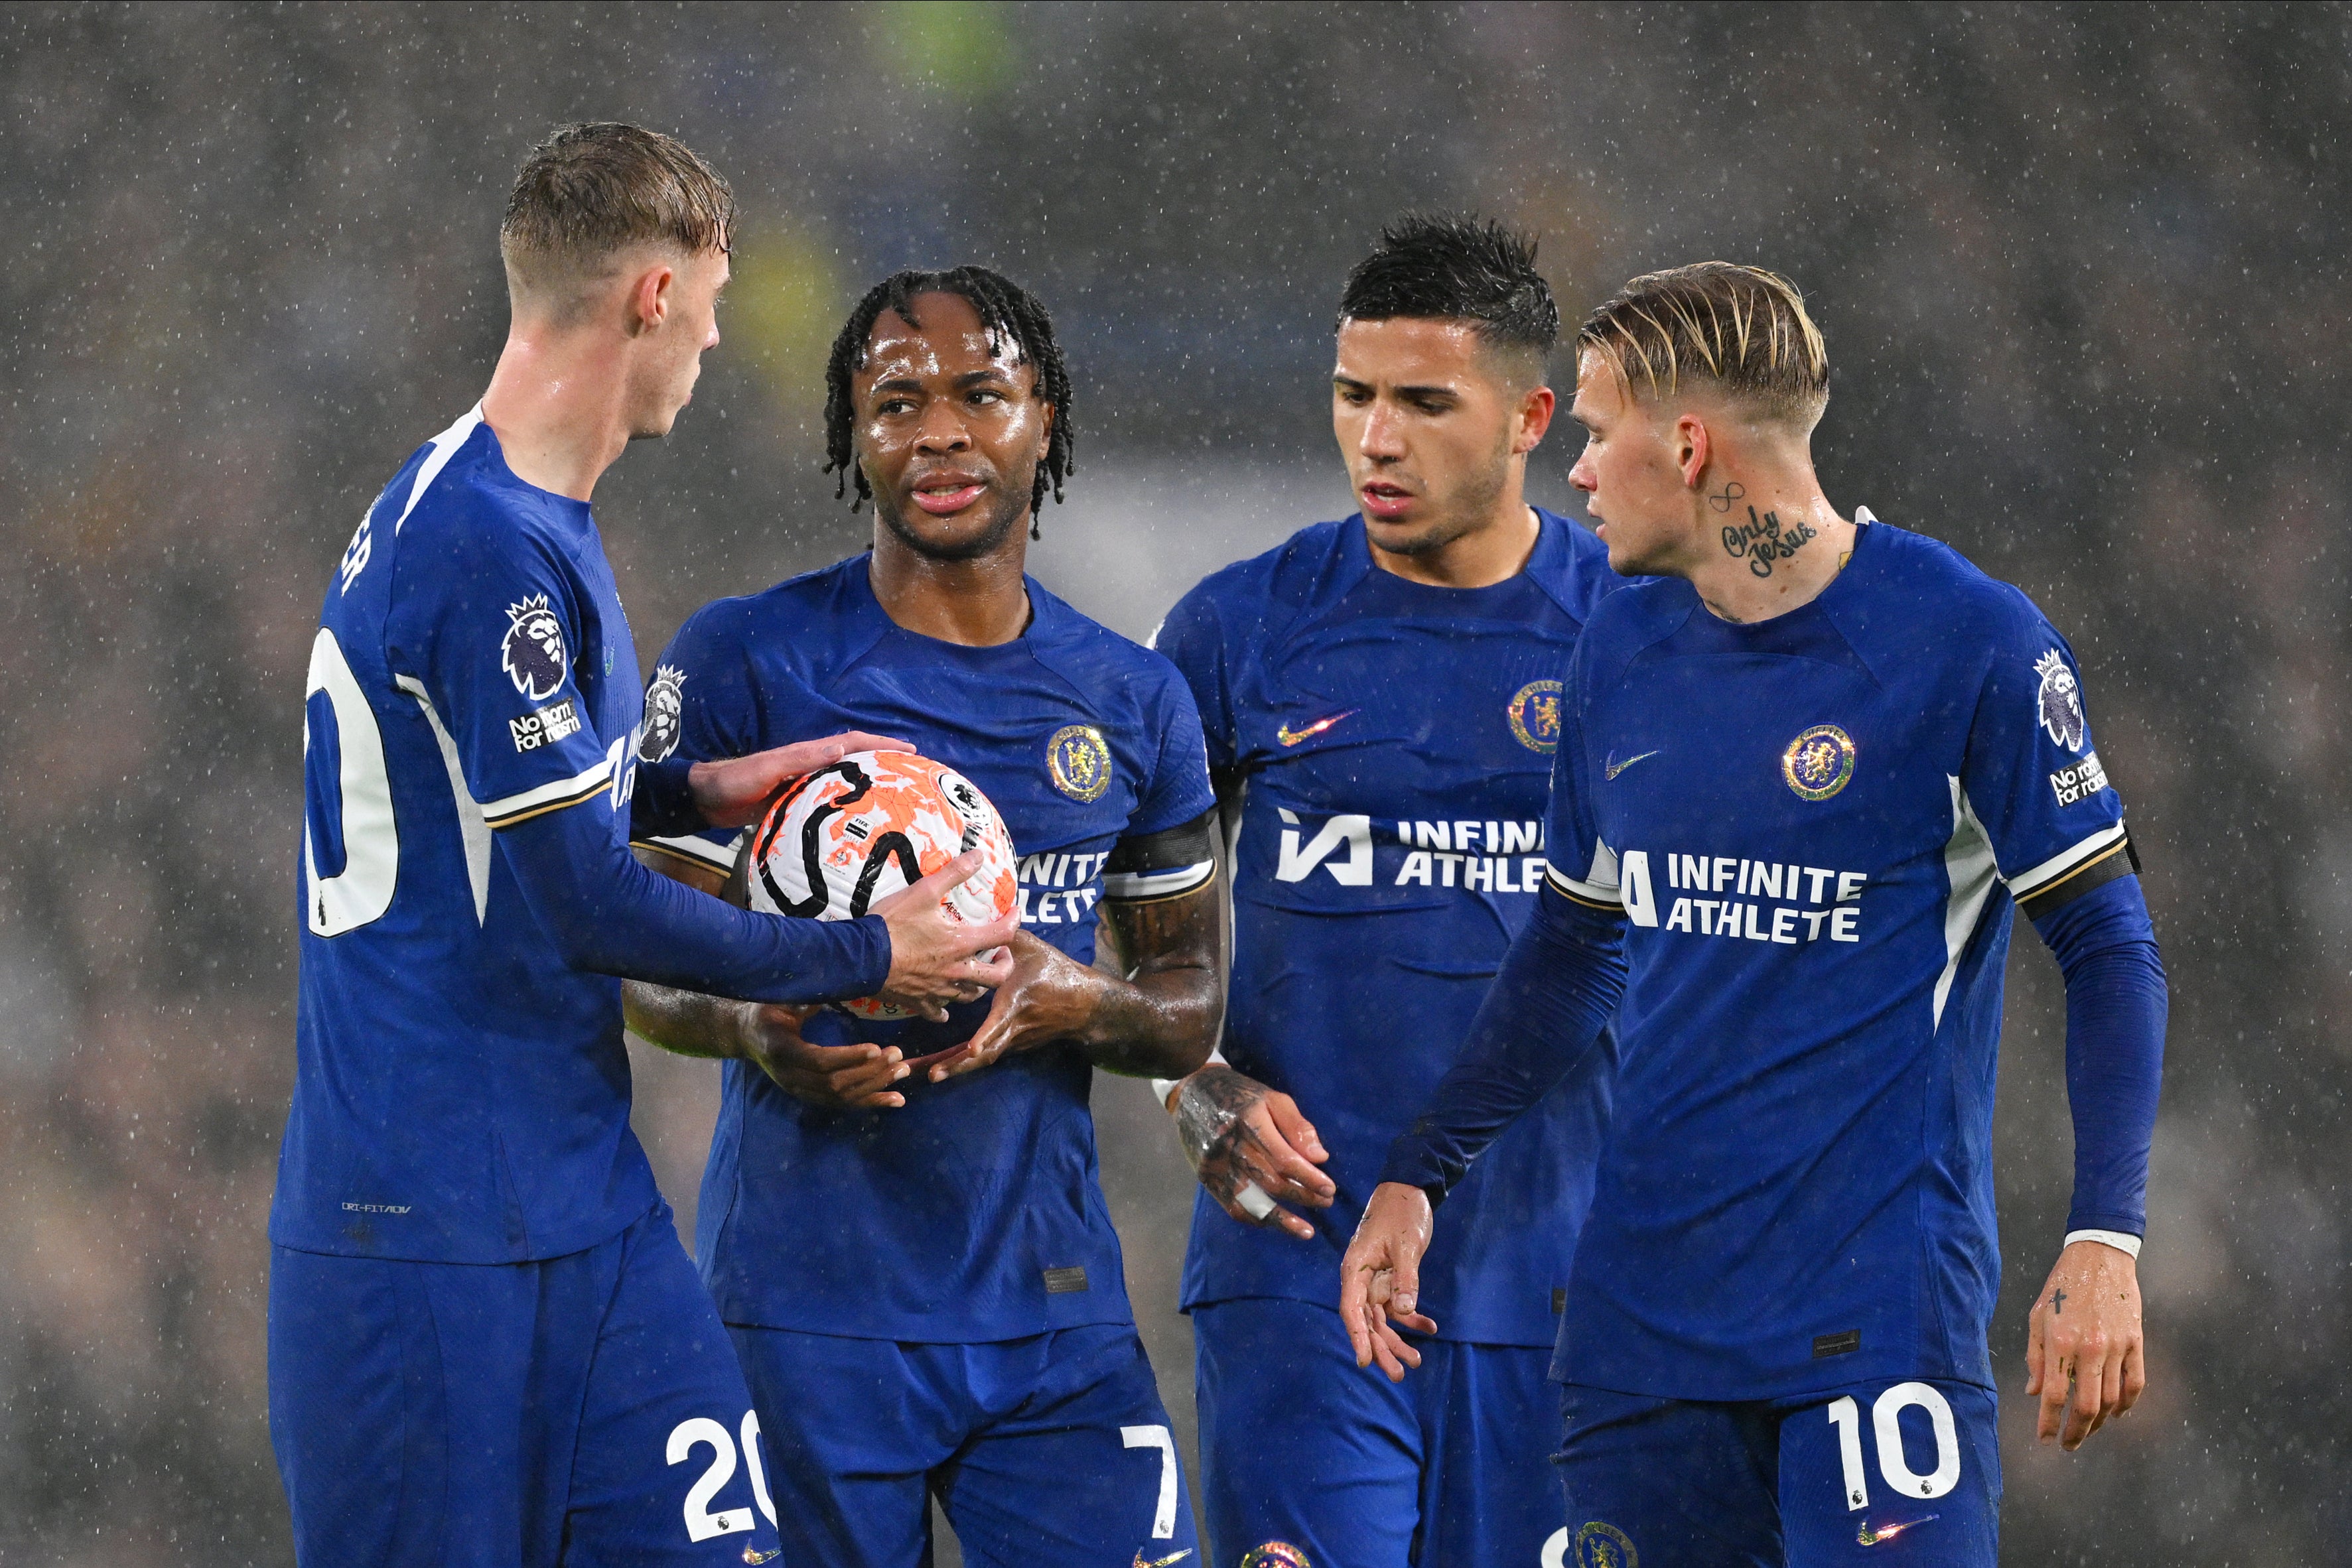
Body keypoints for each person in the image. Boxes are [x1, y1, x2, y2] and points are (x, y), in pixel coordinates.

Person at [1342, 263, 2168, 1567]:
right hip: (1639, 1339)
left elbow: (2108, 946)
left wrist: (2106, 1235)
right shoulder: (1618, 650)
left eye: (1597, 432)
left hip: (1876, 1317)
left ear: (1687, 444)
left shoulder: (1967, 643)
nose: (1578, 473)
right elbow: (1570, 950)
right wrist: (1418, 1167)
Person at [269, 125, 1013, 1568]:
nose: (722, 340)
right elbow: (587, 909)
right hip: (423, 1235)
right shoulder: (487, 551)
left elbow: (490, 798)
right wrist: (872, 949)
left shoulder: (503, 505)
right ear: (653, 299)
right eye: (716, 302)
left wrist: (692, 792)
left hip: (582, 1208)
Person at [622, 267, 1222, 1568]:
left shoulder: (1131, 704)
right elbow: (636, 961)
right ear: (854, 438)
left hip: (1053, 1324)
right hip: (802, 1318)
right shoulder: (743, 661)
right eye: (898, 402)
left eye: (980, 394)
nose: (941, 430)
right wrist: (753, 1024)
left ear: (1043, 419)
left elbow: (1185, 1013)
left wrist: (1081, 1002)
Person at [1148, 216, 1627, 1568]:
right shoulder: (1239, 628)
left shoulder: (1631, 632)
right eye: (1355, 396)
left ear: (1532, 416)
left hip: (1562, 1285)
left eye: (1425, 402)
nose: (1377, 438)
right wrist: (1187, 1080)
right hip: (1297, 1269)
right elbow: (1117, 903)